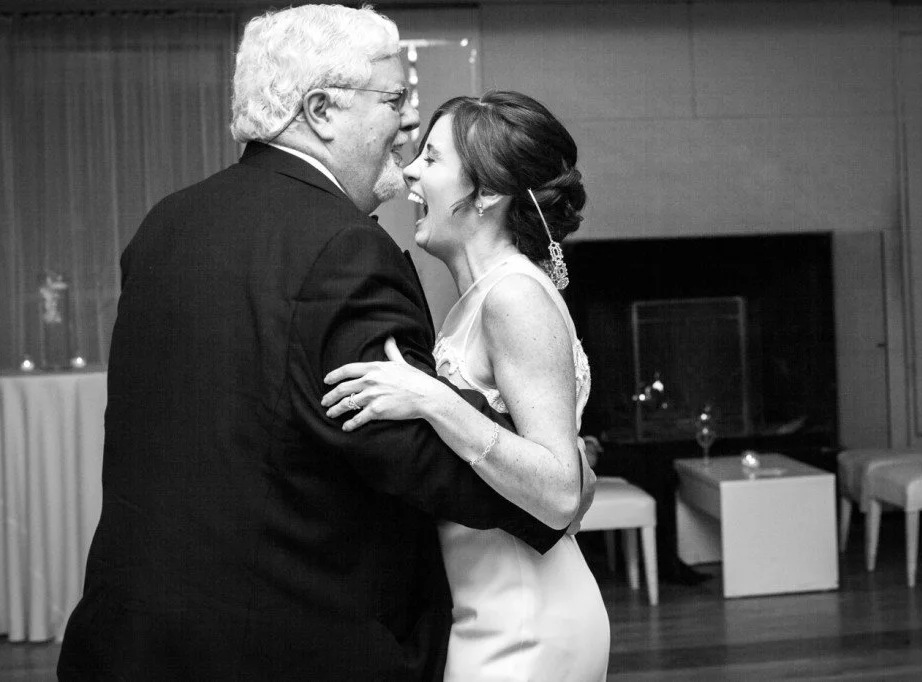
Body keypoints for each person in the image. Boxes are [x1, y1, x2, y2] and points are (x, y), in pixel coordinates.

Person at [57, 7, 587, 681]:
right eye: (394, 100)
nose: (404, 125)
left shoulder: (167, 223)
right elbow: (391, 443)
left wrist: (549, 472)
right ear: (321, 109)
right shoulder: (341, 245)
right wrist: (554, 496)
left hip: (136, 627)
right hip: (286, 633)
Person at [323, 91, 611, 681]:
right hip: (487, 607)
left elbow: (558, 493)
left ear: (486, 194)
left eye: (431, 159)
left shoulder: (513, 297)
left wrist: (431, 399)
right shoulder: (476, 301)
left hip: (526, 619)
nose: (409, 170)